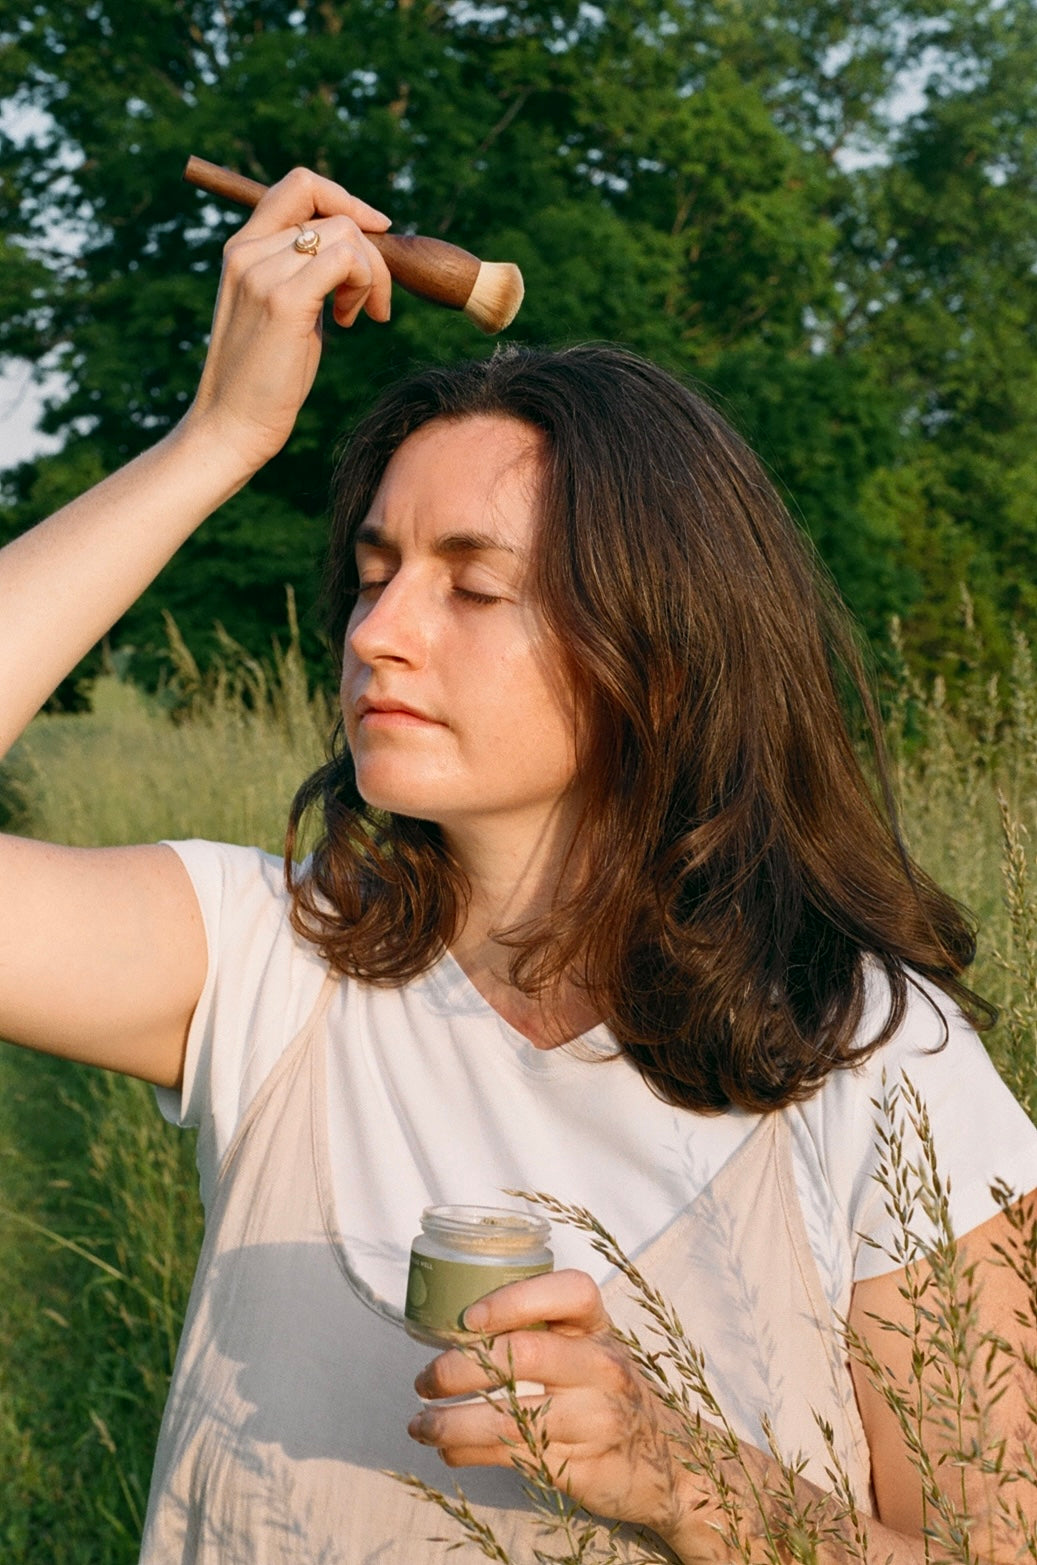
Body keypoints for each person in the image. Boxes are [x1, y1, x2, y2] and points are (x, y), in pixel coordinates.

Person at [0, 167, 1034, 1565]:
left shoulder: (871, 1057)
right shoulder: (264, 960)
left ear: (659, 659)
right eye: (376, 571)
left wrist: (681, 1476)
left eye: (474, 585)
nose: (378, 632)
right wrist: (218, 436)